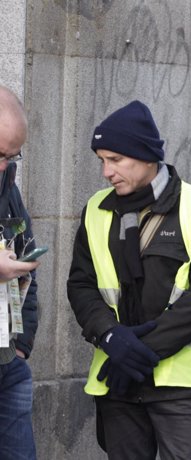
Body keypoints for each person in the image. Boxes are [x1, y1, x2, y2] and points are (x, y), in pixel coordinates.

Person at [66, 100, 191, 460]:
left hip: (178, 385)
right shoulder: (96, 208)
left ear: (146, 156)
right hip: (117, 384)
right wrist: (111, 337)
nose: (106, 172)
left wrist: (136, 354)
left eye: (115, 160)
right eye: (101, 160)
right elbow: (81, 284)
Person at [0, 85, 42, 460]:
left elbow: (27, 255)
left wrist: (23, 344)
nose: (4, 165)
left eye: (13, 156)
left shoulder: (6, 186)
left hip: (7, 363)